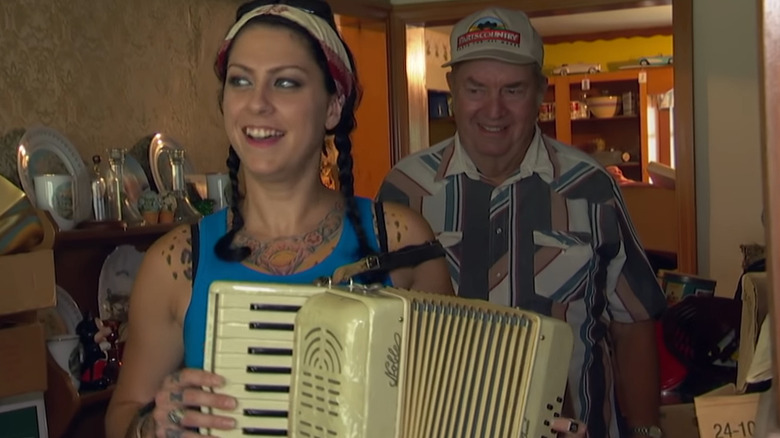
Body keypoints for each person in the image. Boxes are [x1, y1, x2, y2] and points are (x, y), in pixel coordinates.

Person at [105, 1, 454, 436]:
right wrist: (151, 426)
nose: (257, 104)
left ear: (333, 107)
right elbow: (124, 413)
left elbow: (450, 407)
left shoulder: (402, 242)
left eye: (286, 83)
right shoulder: (175, 263)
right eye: (241, 81)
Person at [377, 6, 667, 438]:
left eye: (513, 89)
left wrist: (646, 432)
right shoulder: (404, 191)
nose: (493, 110)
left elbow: (633, 322)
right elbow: (381, 330)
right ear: (452, 90)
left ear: (540, 92)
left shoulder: (591, 188)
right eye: (475, 89)